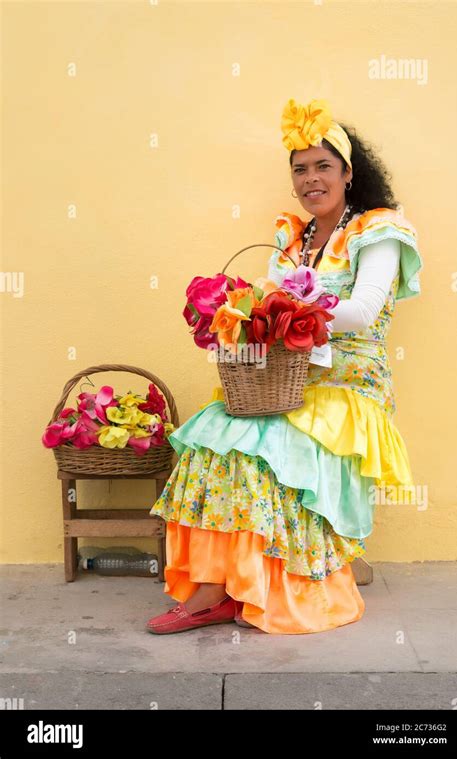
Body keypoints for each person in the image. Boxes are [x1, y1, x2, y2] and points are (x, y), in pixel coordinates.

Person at [146, 97, 423, 635]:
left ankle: (260, 584)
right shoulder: (291, 238)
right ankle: (221, 585)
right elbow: (270, 301)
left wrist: (293, 311)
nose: (310, 178)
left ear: (348, 172)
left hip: (349, 387)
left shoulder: (377, 230)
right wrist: (242, 316)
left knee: (258, 455)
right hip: (285, 381)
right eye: (300, 169)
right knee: (213, 438)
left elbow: (364, 313)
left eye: (323, 166)